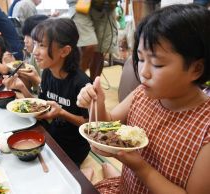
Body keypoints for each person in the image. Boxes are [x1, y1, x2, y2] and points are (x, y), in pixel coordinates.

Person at [76, 4, 210, 194]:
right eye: (140, 58)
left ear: (196, 69)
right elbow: (108, 124)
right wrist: (97, 102)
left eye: (157, 63)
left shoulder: (205, 129)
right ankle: (107, 172)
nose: (143, 72)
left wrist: (141, 168)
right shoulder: (143, 93)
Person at [3, 18, 91, 166]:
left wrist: (62, 113)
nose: (35, 51)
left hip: (73, 148)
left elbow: (90, 125)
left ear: (65, 51)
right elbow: (40, 107)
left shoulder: (81, 83)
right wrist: (22, 88)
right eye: (36, 43)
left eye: (42, 45)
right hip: (50, 135)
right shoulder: (47, 73)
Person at [67, 0, 118, 81]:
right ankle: (76, 84)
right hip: (80, 4)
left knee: (99, 51)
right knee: (89, 45)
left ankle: (93, 86)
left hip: (106, 6)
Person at [18, 14, 49, 92]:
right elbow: (29, 86)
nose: (25, 40)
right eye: (24, 36)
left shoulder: (50, 61)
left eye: (29, 36)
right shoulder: (33, 55)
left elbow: (52, 94)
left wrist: (36, 79)